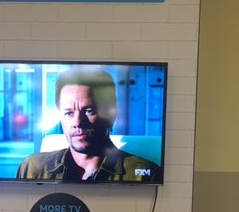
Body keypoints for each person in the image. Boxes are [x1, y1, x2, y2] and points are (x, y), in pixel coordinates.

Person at [16, 66, 161, 182]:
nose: (77, 122)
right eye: (69, 113)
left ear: (111, 114)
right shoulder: (32, 168)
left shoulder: (142, 174)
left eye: (89, 111)